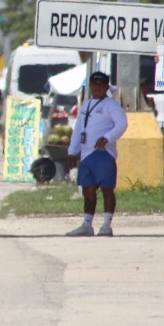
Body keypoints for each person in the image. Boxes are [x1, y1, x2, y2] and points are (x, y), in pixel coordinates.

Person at [65, 71, 129, 237]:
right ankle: (87, 225)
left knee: (107, 189)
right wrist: (72, 151)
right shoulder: (86, 104)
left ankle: (106, 225)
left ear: (107, 87)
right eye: (94, 85)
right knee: (88, 189)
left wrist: (107, 138)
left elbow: (122, 124)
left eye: (101, 85)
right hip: (86, 154)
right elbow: (79, 128)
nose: (97, 88)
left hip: (103, 153)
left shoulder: (111, 105)